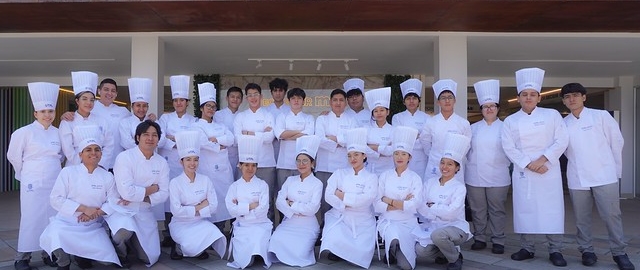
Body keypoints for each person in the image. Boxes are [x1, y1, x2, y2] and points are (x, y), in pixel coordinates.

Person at [560, 82, 635, 270]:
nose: (572, 99)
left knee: (612, 216)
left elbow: (616, 143)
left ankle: (619, 253)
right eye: (567, 97)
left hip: (605, 174)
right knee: (581, 217)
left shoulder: (601, 116)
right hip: (577, 176)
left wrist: (615, 170)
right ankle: (586, 250)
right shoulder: (563, 123)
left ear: (584, 97)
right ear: (564, 101)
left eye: (575, 95)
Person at [501, 67, 569, 267]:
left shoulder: (552, 115)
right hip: (524, 171)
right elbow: (508, 146)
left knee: (552, 210)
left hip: (548, 170)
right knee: (525, 209)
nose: (528, 97)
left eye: (532, 94)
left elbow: (562, 139)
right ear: (519, 98)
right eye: (524, 94)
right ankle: (527, 248)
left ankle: (555, 250)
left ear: (539, 98)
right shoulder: (511, 121)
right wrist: (528, 164)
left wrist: (542, 160)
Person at [39, 125, 121, 270]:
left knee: (108, 261)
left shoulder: (107, 176)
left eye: (97, 149)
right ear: (80, 155)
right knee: (54, 235)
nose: (93, 153)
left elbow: (113, 201)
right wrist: (84, 209)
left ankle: (81, 255)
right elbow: (56, 198)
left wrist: (94, 213)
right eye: (88, 150)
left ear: (101, 154)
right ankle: (64, 263)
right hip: (67, 222)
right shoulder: (68, 172)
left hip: (92, 226)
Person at [7, 82, 62, 270]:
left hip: (54, 180)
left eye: (51, 111)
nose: (48, 115)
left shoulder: (58, 132)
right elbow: (13, 156)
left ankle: (49, 253)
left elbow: (61, 155)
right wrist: (25, 174)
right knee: (31, 217)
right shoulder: (23, 132)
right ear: (35, 114)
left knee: (52, 217)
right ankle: (22, 257)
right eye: (44, 111)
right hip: (32, 180)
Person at [104, 120, 170, 267]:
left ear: (158, 139)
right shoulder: (124, 157)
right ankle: (120, 251)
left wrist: (140, 196)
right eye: (146, 134)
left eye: (154, 135)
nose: (150, 138)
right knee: (123, 231)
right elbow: (126, 192)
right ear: (138, 137)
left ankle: (135, 242)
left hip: (144, 210)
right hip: (123, 209)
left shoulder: (161, 162)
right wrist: (152, 188)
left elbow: (164, 193)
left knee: (150, 258)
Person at [319, 128, 378, 269]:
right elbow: (328, 195)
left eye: (356, 155)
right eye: (350, 155)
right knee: (333, 238)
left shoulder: (371, 177)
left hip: (363, 219)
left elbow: (367, 199)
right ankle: (340, 250)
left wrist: (342, 195)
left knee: (361, 252)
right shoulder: (339, 173)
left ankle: (346, 251)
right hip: (341, 215)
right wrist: (345, 204)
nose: (353, 159)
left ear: (364, 156)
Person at [465, 79, 511, 255]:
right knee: (478, 210)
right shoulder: (473, 128)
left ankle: (498, 240)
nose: (489, 109)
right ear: (481, 110)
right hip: (474, 175)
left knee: (497, 210)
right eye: (485, 106)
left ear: (498, 109)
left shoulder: (506, 127)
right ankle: (480, 238)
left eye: (492, 106)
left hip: (498, 175)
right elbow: (466, 151)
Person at [414, 133, 471, 270]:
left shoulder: (459, 187)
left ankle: (455, 259)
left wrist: (432, 206)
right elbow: (421, 206)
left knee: (438, 235)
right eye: (443, 162)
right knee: (420, 250)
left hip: (456, 227)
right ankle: (447, 252)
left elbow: (452, 213)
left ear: (457, 168)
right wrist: (439, 209)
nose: (445, 167)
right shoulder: (430, 183)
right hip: (434, 225)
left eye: (450, 164)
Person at [168, 131, 227, 261]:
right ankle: (178, 247)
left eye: (195, 159)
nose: (192, 163)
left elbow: (214, 206)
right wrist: (200, 206)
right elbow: (176, 211)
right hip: (181, 224)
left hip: (200, 222)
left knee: (215, 233)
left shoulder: (205, 180)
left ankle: (199, 249)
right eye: (188, 159)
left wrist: (191, 210)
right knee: (191, 248)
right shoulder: (175, 183)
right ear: (181, 162)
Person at [268, 135, 323, 267]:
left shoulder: (317, 183)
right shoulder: (290, 180)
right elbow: (279, 202)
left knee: (299, 253)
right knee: (274, 241)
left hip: (308, 226)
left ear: (312, 163)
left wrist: (291, 204)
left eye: (305, 161)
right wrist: (298, 208)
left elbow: (312, 209)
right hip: (289, 223)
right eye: (298, 161)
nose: (301, 164)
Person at [374, 126, 422, 270]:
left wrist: (388, 200)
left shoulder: (415, 178)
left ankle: (395, 250)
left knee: (406, 267)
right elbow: (376, 204)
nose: (399, 157)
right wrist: (402, 203)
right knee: (394, 236)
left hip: (408, 223)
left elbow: (414, 205)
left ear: (410, 157)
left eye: (403, 154)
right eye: (396, 154)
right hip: (389, 221)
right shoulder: (385, 176)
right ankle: (392, 246)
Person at [157, 75, 196, 246]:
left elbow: (194, 141)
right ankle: (167, 233)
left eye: (182, 100)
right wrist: (181, 141)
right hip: (168, 165)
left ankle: (183, 231)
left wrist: (173, 139)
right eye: (176, 100)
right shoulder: (165, 118)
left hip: (186, 167)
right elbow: (160, 138)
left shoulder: (193, 121)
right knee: (168, 199)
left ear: (187, 102)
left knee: (184, 198)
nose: (179, 103)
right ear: (173, 103)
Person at [192, 82, 235, 231]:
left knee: (223, 200)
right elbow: (203, 142)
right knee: (209, 199)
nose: (211, 109)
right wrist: (220, 145)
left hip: (224, 171)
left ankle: (222, 230)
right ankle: (208, 233)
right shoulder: (196, 126)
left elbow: (231, 139)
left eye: (213, 106)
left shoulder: (221, 126)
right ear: (202, 108)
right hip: (207, 170)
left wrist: (215, 140)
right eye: (208, 106)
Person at [225, 135, 272, 269]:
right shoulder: (234, 186)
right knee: (246, 262)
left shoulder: (262, 185)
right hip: (242, 226)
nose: (250, 169)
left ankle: (258, 253)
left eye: (253, 165)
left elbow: (263, 210)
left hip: (260, 225)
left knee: (257, 241)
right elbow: (231, 209)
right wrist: (251, 206)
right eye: (246, 165)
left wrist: (241, 209)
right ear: (240, 166)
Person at [233, 83, 277, 222]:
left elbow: (270, 138)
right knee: (244, 197)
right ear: (246, 98)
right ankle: (244, 226)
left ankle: (268, 228)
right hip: (245, 164)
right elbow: (237, 138)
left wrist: (249, 133)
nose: (253, 98)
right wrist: (261, 133)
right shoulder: (240, 116)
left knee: (266, 200)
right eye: (250, 95)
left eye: (255, 94)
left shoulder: (268, 114)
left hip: (266, 163)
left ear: (261, 96)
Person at [314, 89, 359, 220]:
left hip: (345, 167)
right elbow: (320, 139)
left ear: (345, 103)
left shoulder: (352, 120)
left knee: (342, 201)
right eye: (335, 100)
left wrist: (334, 138)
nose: (338, 103)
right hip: (325, 167)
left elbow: (353, 140)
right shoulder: (322, 119)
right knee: (325, 202)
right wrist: (342, 141)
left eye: (341, 100)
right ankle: (323, 232)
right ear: (330, 102)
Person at [58, 71, 113, 168]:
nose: (89, 102)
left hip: (98, 167)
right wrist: (82, 165)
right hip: (74, 167)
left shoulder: (101, 121)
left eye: (92, 100)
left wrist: (100, 164)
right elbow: (67, 149)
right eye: (84, 99)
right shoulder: (67, 122)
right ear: (77, 101)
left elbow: (109, 145)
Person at [419, 79, 471, 181]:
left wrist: (454, 159)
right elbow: (425, 141)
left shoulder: (463, 123)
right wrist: (434, 155)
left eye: (450, 97)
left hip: (455, 167)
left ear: (454, 100)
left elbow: (466, 145)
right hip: (435, 164)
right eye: (443, 98)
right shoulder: (431, 122)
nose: (447, 101)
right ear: (438, 102)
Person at [274, 87, 315, 206]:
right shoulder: (282, 117)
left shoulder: (309, 118)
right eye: (293, 98)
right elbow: (280, 134)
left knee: (300, 195)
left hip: (301, 164)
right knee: (283, 195)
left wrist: (288, 134)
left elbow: (308, 135)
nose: (296, 101)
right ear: (289, 101)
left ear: (303, 101)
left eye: (299, 98)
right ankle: (283, 222)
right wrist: (299, 133)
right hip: (283, 163)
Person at [392, 78, 430, 179]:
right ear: (404, 102)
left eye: (414, 98)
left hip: (421, 158)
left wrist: (409, 135)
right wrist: (418, 135)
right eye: (408, 98)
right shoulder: (397, 117)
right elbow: (398, 136)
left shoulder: (427, 118)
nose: (411, 101)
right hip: (403, 158)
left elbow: (428, 137)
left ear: (419, 101)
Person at [90, 78, 130, 171]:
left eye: (113, 91)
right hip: (95, 161)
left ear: (116, 94)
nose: (109, 93)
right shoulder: (90, 108)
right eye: (106, 89)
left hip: (118, 161)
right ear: (99, 91)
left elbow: (136, 123)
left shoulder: (123, 111)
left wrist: (150, 118)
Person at [119, 78, 159, 150]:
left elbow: (161, 140)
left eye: (144, 106)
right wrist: (147, 146)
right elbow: (126, 143)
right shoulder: (125, 122)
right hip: (132, 158)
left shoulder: (153, 121)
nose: (141, 109)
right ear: (132, 107)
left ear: (148, 107)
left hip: (151, 158)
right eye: (138, 105)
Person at [214, 86, 243, 180]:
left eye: (238, 97)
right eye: (232, 96)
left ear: (241, 100)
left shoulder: (243, 116)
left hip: (240, 155)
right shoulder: (218, 115)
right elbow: (219, 134)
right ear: (227, 98)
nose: (235, 99)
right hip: (223, 154)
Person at [364, 87, 394, 175]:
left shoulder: (393, 130)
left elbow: (392, 151)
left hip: (388, 169)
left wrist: (373, 147)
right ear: (373, 114)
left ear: (387, 112)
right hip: (369, 169)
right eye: (376, 111)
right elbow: (363, 148)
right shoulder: (366, 129)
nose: (379, 113)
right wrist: (381, 152)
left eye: (382, 110)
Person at [265, 78, 291, 163]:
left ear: (285, 92)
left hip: (286, 149)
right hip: (268, 149)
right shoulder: (265, 111)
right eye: (275, 90)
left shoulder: (290, 110)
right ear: (271, 92)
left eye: (280, 90)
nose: (278, 93)